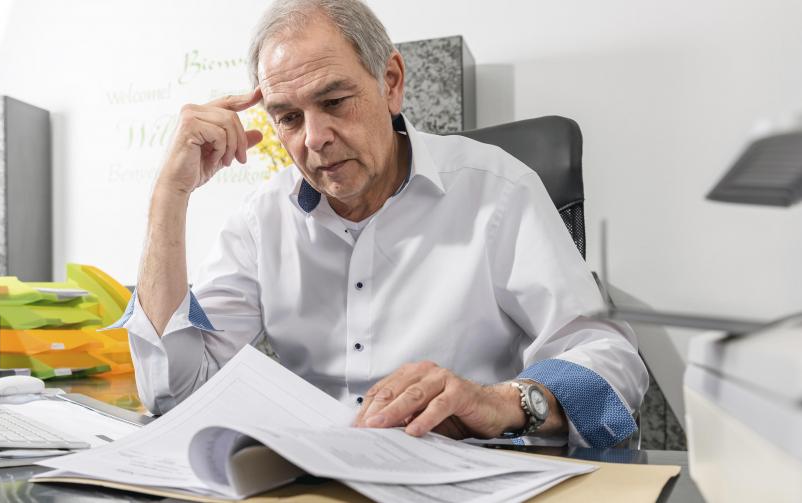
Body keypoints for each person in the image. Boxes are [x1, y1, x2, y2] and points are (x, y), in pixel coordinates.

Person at [114, 0, 648, 448]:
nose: (314, 137)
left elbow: (613, 363)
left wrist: (501, 402)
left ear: (390, 83)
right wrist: (170, 195)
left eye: (333, 101)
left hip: (463, 475)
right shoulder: (263, 219)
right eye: (289, 117)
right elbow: (176, 393)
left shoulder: (497, 191)